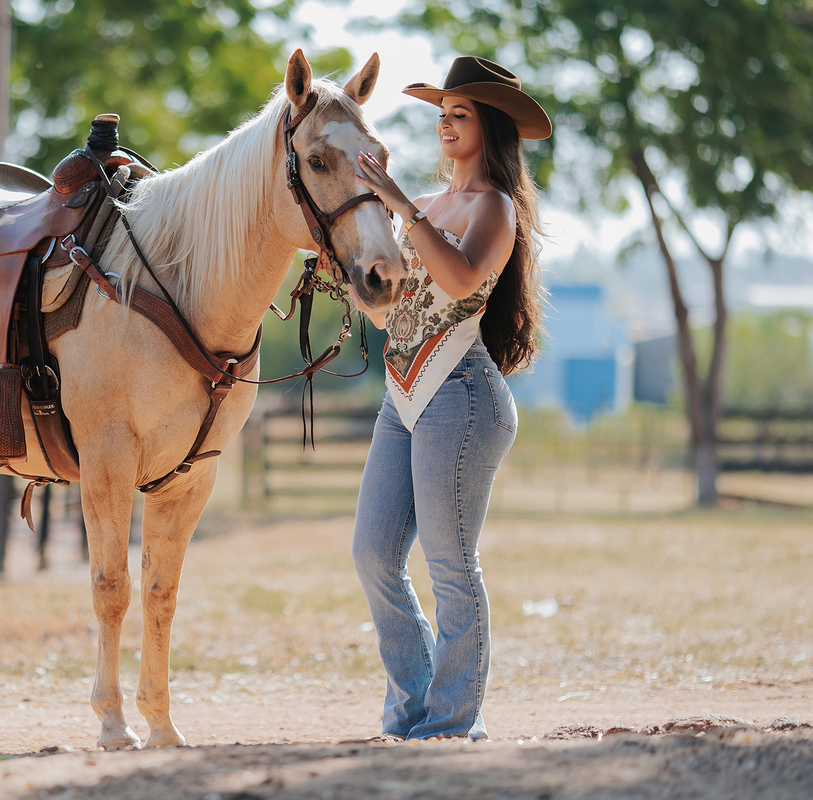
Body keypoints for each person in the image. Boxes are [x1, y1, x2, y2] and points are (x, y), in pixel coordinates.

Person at [349, 56, 551, 741]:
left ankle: (452, 721)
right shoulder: (430, 207)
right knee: (373, 553)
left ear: (489, 126)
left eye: (459, 114)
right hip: (402, 397)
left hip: (461, 397)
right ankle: (414, 712)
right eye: (442, 113)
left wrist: (401, 206)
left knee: (450, 567)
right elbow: (398, 313)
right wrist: (354, 277)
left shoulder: (494, 207)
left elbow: (461, 281)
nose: (445, 123)